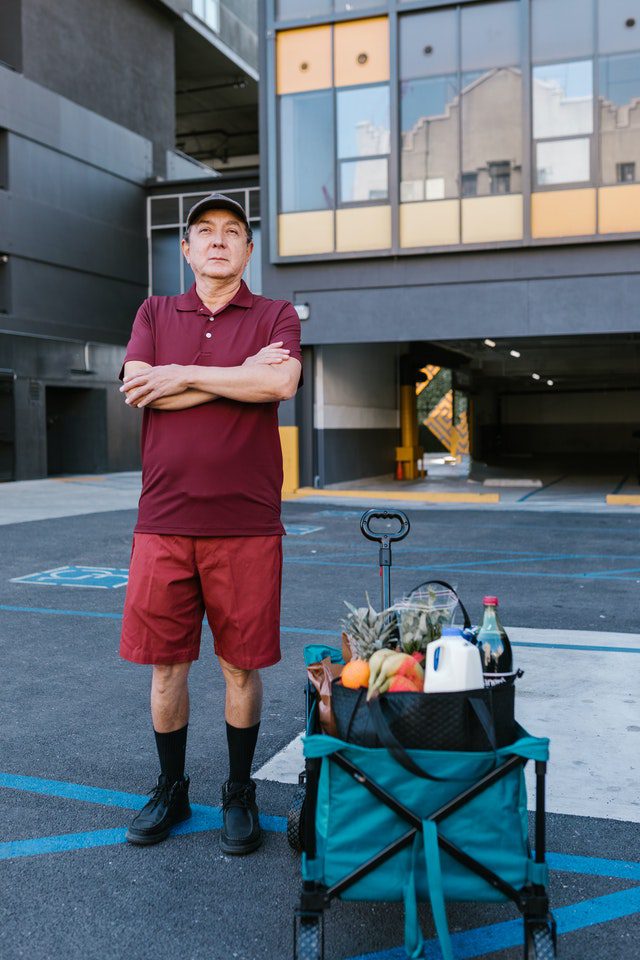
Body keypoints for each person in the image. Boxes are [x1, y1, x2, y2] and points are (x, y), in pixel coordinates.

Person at [118, 192, 302, 855]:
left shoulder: (276, 313)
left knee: (240, 669)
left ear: (248, 251)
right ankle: (171, 787)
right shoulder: (155, 311)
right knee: (165, 669)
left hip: (247, 524)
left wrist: (184, 375)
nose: (219, 240)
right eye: (205, 232)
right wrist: (237, 375)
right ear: (189, 250)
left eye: (233, 232)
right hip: (162, 521)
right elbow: (139, 386)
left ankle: (238, 789)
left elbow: (279, 385)